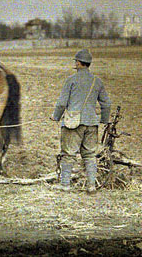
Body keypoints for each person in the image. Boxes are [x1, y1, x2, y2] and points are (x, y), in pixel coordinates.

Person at [51, 49, 111, 193]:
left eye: (75, 61)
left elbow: (61, 103)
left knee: (69, 154)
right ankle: (91, 186)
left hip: (74, 123)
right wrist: (103, 120)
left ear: (78, 63)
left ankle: (65, 185)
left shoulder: (71, 80)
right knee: (90, 155)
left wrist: (56, 116)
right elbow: (106, 104)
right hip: (92, 123)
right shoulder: (97, 81)